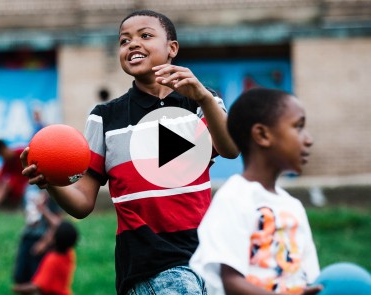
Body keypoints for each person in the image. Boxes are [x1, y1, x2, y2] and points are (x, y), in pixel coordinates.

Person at [21, 9, 238, 295]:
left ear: (172, 48)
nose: (132, 44)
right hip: (148, 263)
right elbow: (83, 203)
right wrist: (51, 183)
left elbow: (231, 149)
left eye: (145, 36)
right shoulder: (105, 118)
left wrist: (204, 97)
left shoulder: (199, 104)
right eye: (124, 41)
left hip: (203, 257)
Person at [190, 88, 323, 295]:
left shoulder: (293, 207)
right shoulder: (234, 198)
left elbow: (310, 278)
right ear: (262, 135)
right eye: (298, 127)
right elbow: (231, 282)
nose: (308, 139)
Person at [12, 220, 78, 295]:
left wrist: (17, 288)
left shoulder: (52, 260)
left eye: (52, 233)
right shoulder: (69, 254)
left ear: (54, 239)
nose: (48, 233)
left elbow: (37, 286)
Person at [13, 186, 63, 285]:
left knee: (38, 281)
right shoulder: (28, 188)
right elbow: (28, 213)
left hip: (42, 240)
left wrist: (44, 243)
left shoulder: (52, 189)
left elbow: (57, 223)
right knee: (20, 278)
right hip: (27, 238)